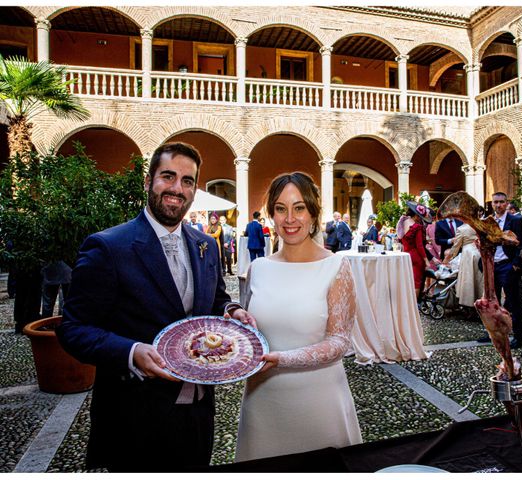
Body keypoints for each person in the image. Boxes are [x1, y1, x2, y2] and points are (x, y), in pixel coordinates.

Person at [57, 142, 255, 472]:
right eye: (168, 176)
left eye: (188, 181)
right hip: (135, 417)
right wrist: (131, 351)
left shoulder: (206, 245)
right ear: (148, 182)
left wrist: (231, 310)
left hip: (198, 413)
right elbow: (74, 329)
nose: (177, 189)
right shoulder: (108, 247)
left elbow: (216, 298)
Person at [235, 171, 362, 461]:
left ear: (314, 213)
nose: (289, 219)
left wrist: (282, 359)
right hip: (263, 404)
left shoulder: (336, 267)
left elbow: (340, 342)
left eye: (299, 208)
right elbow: (251, 333)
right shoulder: (258, 268)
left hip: (318, 402)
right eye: (281, 209)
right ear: (272, 215)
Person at [477, 192, 522, 347]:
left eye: (501, 202)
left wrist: (515, 264)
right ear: (491, 204)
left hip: (508, 265)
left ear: (507, 203)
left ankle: (519, 338)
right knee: (492, 302)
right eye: (495, 202)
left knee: (515, 302)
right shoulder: (487, 221)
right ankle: (494, 334)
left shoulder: (516, 220)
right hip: (492, 265)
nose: (498, 205)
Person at [398, 201, 434, 299]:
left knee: (407, 281)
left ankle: (407, 306)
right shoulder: (417, 227)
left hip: (405, 255)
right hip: (416, 257)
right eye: (420, 217)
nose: (420, 219)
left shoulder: (403, 222)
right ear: (417, 215)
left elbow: (402, 240)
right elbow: (419, 246)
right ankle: (414, 308)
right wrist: (426, 261)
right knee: (416, 283)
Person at [445, 223, 483, 312]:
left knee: (469, 279)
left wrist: (447, 259)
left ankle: (469, 303)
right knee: (480, 279)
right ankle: (481, 301)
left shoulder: (461, 229)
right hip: (480, 252)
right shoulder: (480, 225)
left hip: (468, 255)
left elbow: (456, 247)